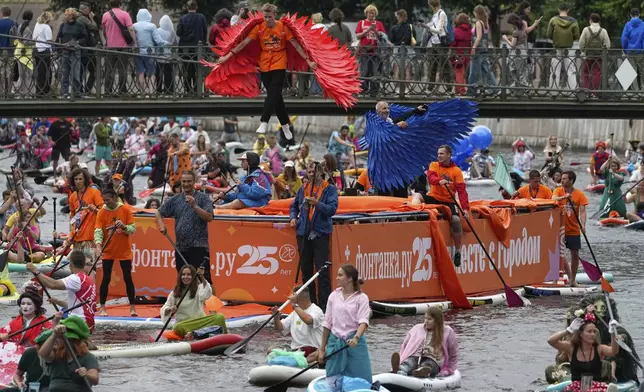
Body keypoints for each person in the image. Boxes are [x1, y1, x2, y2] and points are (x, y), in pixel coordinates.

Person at [216, 3, 317, 140]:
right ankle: (285, 124)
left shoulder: (283, 27)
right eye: (265, 17)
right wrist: (227, 56)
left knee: (274, 91)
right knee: (275, 96)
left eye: (269, 17)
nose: (267, 20)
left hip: (279, 61)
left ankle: (264, 121)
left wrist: (308, 60)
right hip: (264, 63)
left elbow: (296, 45)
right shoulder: (259, 27)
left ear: (275, 15)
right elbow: (244, 43)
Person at [289, 160, 338, 310]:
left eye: (313, 172)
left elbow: (332, 209)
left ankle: (325, 307)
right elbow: (293, 205)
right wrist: (292, 217)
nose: (310, 175)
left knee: (322, 271)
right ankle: (310, 305)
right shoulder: (304, 188)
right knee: (306, 271)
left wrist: (317, 204)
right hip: (303, 232)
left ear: (320, 172)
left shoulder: (329, 189)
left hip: (320, 233)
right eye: (308, 172)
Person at [412, 145, 469, 267]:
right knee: (417, 195)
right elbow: (431, 177)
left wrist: (465, 209)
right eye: (438, 154)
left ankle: (458, 251)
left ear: (449, 155)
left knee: (456, 220)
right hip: (434, 197)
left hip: (448, 200)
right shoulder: (434, 165)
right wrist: (439, 181)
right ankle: (414, 215)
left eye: (442, 154)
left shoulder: (457, 172)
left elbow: (462, 192)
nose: (439, 156)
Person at [156, 170, 214, 287]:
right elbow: (158, 212)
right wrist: (161, 224)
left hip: (199, 246)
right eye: (184, 181)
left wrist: (195, 206)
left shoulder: (203, 198)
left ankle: (208, 303)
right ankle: (187, 303)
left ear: (194, 182)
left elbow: (209, 217)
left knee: (204, 279)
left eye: (189, 181)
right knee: (184, 280)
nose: (186, 184)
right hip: (181, 247)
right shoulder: (175, 199)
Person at [319, 265, 372, 390]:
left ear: (349, 278)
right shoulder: (333, 296)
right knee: (333, 378)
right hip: (335, 341)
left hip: (354, 343)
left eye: (340, 275)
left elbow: (363, 321)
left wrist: (356, 338)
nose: (337, 278)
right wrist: (322, 349)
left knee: (362, 378)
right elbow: (327, 323)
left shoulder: (362, 298)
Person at [547, 308, 619, 392]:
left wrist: (613, 333)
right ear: (580, 334)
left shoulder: (599, 349)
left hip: (595, 387)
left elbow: (614, 351)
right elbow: (551, 341)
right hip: (576, 388)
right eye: (589, 331)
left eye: (594, 331)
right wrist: (568, 330)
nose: (593, 334)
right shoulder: (571, 348)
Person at [27, 250, 98, 332]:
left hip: (78, 324)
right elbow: (75, 307)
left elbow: (53, 284)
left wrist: (35, 270)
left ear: (71, 265)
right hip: (88, 324)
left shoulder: (76, 278)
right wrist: (57, 301)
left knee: (44, 333)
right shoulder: (88, 280)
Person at [94, 187, 136, 317]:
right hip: (108, 250)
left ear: (114, 197)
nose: (105, 202)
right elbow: (98, 230)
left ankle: (132, 308)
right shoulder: (101, 212)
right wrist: (98, 245)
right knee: (106, 278)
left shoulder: (125, 209)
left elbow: (132, 229)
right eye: (104, 200)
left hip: (124, 250)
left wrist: (123, 227)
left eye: (107, 200)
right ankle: (102, 308)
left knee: (127, 278)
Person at [160, 264, 226, 339]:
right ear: (180, 277)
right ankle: (196, 334)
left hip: (200, 322)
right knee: (177, 327)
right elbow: (164, 309)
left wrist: (202, 276)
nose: (185, 277)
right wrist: (170, 309)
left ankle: (224, 338)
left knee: (219, 317)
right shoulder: (174, 293)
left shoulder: (199, 288)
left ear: (193, 276)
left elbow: (207, 294)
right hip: (185, 324)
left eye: (189, 274)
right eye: (183, 274)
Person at [391, 306, 459, 378]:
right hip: (416, 356)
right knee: (410, 362)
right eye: (425, 318)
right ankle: (402, 369)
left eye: (429, 319)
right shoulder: (417, 328)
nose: (426, 321)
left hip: (434, 360)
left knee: (429, 365)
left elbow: (453, 353)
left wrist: (449, 369)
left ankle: (422, 372)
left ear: (437, 320)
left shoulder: (447, 332)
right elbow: (404, 345)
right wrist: (402, 357)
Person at [38, 316, 100, 390]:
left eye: (60, 338)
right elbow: (42, 354)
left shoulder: (88, 357)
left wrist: (86, 374)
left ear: (73, 341)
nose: (57, 340)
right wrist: (54, 334)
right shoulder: (56, 354)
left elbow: (95, 380)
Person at [270, 285, 324, 364]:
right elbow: (281, 328)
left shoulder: (316, 311)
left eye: (292, 295)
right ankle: (296, 362)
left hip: (312, 350)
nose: (290, 297)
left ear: (299, 298)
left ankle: (301, 363)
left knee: (317, 354)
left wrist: (294, 305)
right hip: (296, 352)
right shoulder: (294, 313)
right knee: (270, 350)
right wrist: (276, 317)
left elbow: (308, 320)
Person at [552, 171, 588, 288]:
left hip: (573, 228)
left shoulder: (580, 195)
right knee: (559, 254)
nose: (562, 181)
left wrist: (583, 225)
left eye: (565, 179)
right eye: (561, 178)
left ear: (571, 180)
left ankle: (573, 280)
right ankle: (565, 277)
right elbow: (553, 199)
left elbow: (582, 211)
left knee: (575, 255)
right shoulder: (558, 190)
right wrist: (564, 197)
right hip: (560, 228)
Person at [67, 168, 104, 259]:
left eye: (80, 179)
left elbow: (104, 214)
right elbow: (72, 220)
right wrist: (71, 235)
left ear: (85, 180)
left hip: (90, 239)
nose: (78, 181)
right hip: (77, 239)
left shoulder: (95, 193)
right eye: (76, 179)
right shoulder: (72, 197)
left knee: (89, 268)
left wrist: (95, 210)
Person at [101, 0, 136, 96]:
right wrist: (135, 42)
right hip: (123, 47)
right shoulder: (125, 14)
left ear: (110, 4)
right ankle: (122, 90)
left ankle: (108, 91)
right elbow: (130, 29)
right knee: (122, 69)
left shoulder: (105, 15)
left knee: (109, 69)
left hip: (110, 47)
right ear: (120, 4)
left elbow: (104, 31)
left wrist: (107, 39)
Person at [7, 326, 55, 392]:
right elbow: (18, 374)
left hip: (48, 387)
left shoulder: (57, 354)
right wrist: (19, 383)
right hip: (30, 386)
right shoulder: (30, 352)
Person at [133, 8, 168, 95]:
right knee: (151, 73)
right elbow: (158, 40)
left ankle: (142, 92)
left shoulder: (134, 26)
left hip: (138, 52)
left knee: (140, 72)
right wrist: (167, 43)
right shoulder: (151, 26)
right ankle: (151, 92)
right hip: (150, 53)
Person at [176, 0, 208, 94]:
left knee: (186, 69)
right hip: (198, 49)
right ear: (196, 7)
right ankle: (197, 90)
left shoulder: (183, 18)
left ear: (187, 8)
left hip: (185, 49)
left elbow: (178, 32)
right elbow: (205, 31)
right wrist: (203, 43)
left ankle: (187, 90)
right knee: (197, 69)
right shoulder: (201, 17)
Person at [56, 8, 88, 99]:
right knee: (64, 73)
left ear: (71, 16)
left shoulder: (79, 25)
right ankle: (64, 93)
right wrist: (57, 49)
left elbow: (85, 37)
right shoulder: (63, 25)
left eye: (66, 14)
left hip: (75, 52)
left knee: (75, 73)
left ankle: (76, 92)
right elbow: (59, 37)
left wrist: (77, 42)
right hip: (65, 51)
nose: (64, 16)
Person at [547, 3, 580, 89]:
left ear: (558, 9)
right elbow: (577, 36)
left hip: (556, 48)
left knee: (555, 70)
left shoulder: (553, 20)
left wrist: (555, 38)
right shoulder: (574, 21)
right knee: (571, 70)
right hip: (569, 49)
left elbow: (549, 34)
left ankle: (553, 90)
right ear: (568, 10)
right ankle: (573, 90)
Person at [355, 5, 386, 97]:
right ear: (366, 13)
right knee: (364, 71)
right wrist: (368, 29)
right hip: (364, 50)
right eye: (369, 13)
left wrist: (375, 30)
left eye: (373, 13)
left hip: (375, 50)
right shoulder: (361, 23)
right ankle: (363, 90)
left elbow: (382, 38)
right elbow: (358, 36)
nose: (371, 15)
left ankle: (374, 91)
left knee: (374, 71)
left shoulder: (379, 24)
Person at [468, 5, 497, 96]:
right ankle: (495, 89)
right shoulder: (485, 23)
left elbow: (479, 36)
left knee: (473, 71)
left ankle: (471, 91)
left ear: (477, 13)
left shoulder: (478, 23)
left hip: (478, 50)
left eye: (474, 12)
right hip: (484, 49)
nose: (473, 13)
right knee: (487, 70)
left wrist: (473, 48)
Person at [578, 13, 610, 91]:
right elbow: (608, 45)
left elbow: (581, 43)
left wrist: (583, 50)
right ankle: (594, 92)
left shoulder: (586, 29)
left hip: (588, 56)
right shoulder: (603, 31)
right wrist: (604, 52)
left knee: (585, 73)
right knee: (597, 73)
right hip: (599, 57)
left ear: (591, 20)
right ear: (599, 21)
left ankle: (586, 91)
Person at [77, 2, 100, 96]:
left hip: (81, 48)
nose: (90, 11)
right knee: (94, 71)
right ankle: (86, 90)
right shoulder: (83, 19)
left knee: (80, 70)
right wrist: (91, 18)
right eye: (89, 9)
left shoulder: (76, 17)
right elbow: (95, 27)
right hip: (88, 49)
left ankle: (79, 90)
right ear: (85, 10)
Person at [621, 9, 644, 90]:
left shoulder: (627, 25)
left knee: (632, 72)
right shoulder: (643, 25)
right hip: (641, 52)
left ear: (630, 15)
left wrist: (625, 49)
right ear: (639, 14)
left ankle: (635, 92)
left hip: (630, 52)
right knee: (642, 71)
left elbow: (624, 38)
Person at [32, 11, 54, 96]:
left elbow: (34, 37)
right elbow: (49, 40)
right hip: (45, 50)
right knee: (47, 71)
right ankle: (45, 90)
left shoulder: (37, 24)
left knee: (39, 70)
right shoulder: (46, 27)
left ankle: (39, 89)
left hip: (37, 50)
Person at [450, 13, 472, 96]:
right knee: (467, 73)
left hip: (459, 54)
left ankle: (461, 90)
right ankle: (458, 89)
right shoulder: (470, 30)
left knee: (459, 72)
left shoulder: (456, 30)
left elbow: (453, 43)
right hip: (468, 54)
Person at [156, 15, 176, 95]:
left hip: (158, 55)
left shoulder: (157, 30)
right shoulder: (172, 32)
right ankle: (169, 89)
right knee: (168, 73)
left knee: (158, 73)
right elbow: (174, 43)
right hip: (168, 56)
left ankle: (158, 89)